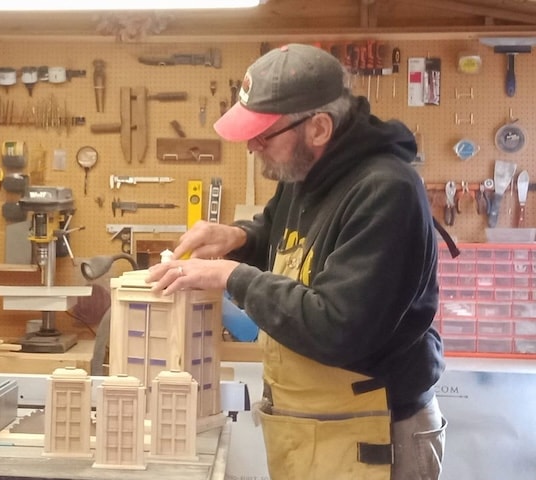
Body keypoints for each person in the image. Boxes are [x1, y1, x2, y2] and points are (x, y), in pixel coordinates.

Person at [146, 43, 446, 480]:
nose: (251, 146)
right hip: (315, 425)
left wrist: (231, 274)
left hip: (377, 430)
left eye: (264, 135)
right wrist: (239, 238)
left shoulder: (387, 192)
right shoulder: (304, 176)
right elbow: (280, 237)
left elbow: (338, 326)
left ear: (319, 128)